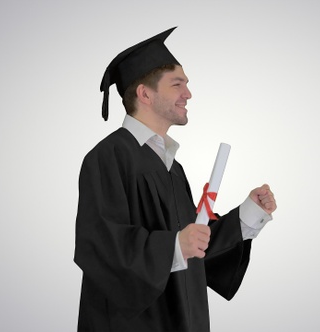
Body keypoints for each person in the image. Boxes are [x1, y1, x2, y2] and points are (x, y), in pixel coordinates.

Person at [74, 27, 277, 332]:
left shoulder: (171, 165)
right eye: (177, 84)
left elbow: (192, 251)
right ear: (145, 93)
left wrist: (247, 216)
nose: (188, 94)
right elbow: (100, 247)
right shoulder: (108, 157)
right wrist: (172, 245)